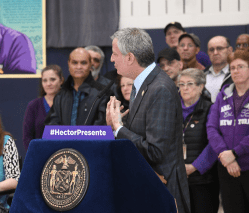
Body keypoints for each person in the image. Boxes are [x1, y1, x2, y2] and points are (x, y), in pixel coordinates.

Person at [106, 28, 190, 213]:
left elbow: (155, 151)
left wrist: (119, 128)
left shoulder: (159, 88)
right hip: (147, 188)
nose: (111, 59)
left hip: (163, 191)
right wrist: (115, 126)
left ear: (129, 57)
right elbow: (141, 136)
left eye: (114, 54)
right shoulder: (142, 85)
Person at [206, 50, 249, 213]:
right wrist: (227, 156)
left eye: (240, 66)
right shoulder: (222, 95)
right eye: (232, 68)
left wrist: (235, 153)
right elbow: (211, 128)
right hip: (226, 167)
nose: (236, 71)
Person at [177, 69, 219, 213]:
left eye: (190, 83)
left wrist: (194, 167)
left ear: (201, 87)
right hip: (178, 178)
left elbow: (214, 144)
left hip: (203, 178)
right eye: (181, 84)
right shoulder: (172, 109)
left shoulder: (210, 108)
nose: (185, 88)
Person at [45, 48, 109, 126]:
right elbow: (52, 125)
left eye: (83, 63)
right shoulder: (60, 95)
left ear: (90, 65)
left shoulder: (103, 93)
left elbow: (103, 127)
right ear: (69, 64)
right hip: (63, 138)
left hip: (92, 138)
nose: (79, 67)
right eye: (75, 63)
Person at [22, 65, 64, 151]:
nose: (48, 84)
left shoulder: (71, 103)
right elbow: (27, 137)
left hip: (66, 156)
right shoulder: (33, 105)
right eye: (45, 80)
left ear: (61, 80)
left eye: (53, 79)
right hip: (40, 156)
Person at [204, 36, 233, 103]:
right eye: (211, 50)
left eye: (219, 48)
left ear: (230, 50)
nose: (215, 53)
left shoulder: (236, 74)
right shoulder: (201, 75)